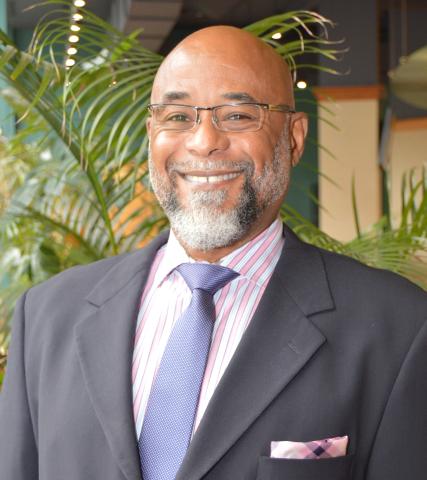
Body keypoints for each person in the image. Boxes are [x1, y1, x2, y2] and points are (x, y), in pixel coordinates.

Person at [0, 25, 426, 480]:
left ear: (295, 138)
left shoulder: (399, 329)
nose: (204, 142)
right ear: (151, 134)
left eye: (239, 115)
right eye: (178, 116)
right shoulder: (47, 316)